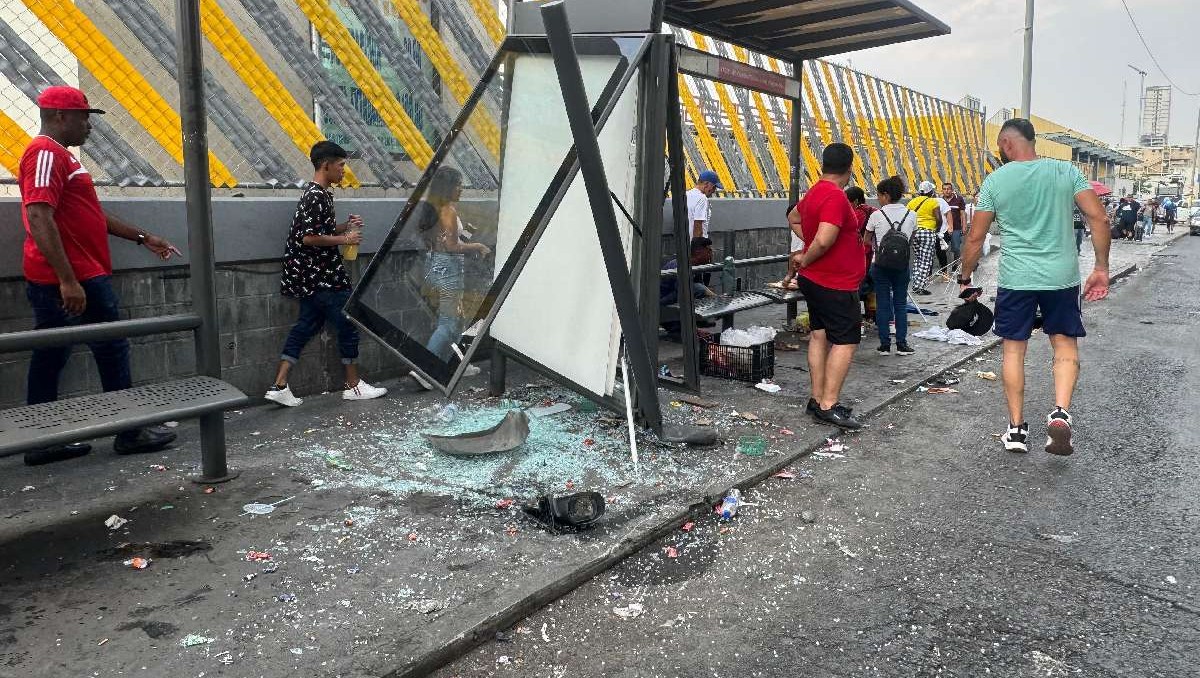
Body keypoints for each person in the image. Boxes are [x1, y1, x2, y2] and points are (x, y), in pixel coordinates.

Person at [18, 85, 181, 465]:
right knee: (103, 348)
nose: (88, 125)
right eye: (83, 116)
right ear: (60, 116)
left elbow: (90, 215)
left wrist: (143, 237)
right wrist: (67, 279)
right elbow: (39, 217)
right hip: (71, 279)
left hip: (79, 275)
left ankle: (44, 440)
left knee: (57, 353)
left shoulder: (63, 158)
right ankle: (126, 432)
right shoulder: (45, 152)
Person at [958, 118, 1111, 456]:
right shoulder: (1065, 172)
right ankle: (1060, 413)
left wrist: (965, 276)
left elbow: (975, 237)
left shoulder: (995, 181)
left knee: (1014, 350)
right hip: (1061, 277)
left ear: (1006, 144)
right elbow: (1099, 218)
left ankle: (1015, 430)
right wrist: (1101, 267)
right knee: (1065, 346)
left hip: (1017, 278)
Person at [265, 141, 387, 406]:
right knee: (349, 323)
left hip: (310, 279)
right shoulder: (316, 196)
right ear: (326, 165)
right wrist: (345, 237)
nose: (344, 171)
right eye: (341, 165)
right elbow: (309, 238)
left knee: (306, 325)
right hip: (322, 277)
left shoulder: (317, 194)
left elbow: (321, 230)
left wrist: (345, 227)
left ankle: (280, 385)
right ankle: (353, 385)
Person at [791, 143, 866, 430]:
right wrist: (806, 256)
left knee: (819, 336)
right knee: (846, 341)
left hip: (816, 281)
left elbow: (793, 218)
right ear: (849, 169)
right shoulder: (835, 196)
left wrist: (806, 250)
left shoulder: (814, 192)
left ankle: (817, 398)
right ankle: (828, 405)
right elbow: (824, 240)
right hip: (833, 283)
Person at [406, 166, 492, 390]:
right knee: (448, 323)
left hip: (437, 266)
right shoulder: (448, 211)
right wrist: (478, 246)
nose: (461, 189)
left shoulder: (434, 209)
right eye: (458, 185)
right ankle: (423, 369)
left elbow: (441, 242)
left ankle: (454, 364)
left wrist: (464, 235)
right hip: (449, 268)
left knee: (456, 321)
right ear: (448, 187)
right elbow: (452, 247)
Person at [863, 176, 916, 356]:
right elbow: (910, 240)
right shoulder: (911, 214)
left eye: (878, 195)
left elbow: (866, 240)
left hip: (880, 266)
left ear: (886, 195)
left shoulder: (876, 215)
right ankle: (902, 344)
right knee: (900, 304)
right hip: (902, 266)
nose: (878, 198)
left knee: (883, 303)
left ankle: (884, 345)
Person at [906, 180, 944, 294]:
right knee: (926, 260)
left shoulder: (911, 202)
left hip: (915, 232)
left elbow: (908, 217)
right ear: (931, 191)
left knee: (918, 259)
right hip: (928, 232)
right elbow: (938, 219)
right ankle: (920, 287)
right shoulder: (933, 201)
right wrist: (936, 229)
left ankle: (915, 284)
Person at [845, 186, 876, 321]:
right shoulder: (874, 211)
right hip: (873, 254)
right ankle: (871, 314)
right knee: (870, 286)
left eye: (848, 202)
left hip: (859, 254)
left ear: (856, 201)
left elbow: (849, 231)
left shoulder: (858, 213)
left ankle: (855, 317)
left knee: (857, 286)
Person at [941, 182, 967, 266]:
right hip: (943, 229)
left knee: (956, 248)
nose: (947, 191)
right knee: (943, 248)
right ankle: (945, 267)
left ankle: (955, 266)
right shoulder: (940, 200)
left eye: (948, 189)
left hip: (956, 228)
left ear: (952, 190)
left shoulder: (959, 199)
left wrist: (964, 226)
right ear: (942, 190)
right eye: (944, 189)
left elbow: (963, 214)